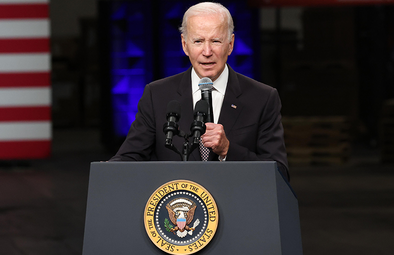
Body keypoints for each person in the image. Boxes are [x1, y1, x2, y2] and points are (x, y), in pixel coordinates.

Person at [110, 2, 289, 180]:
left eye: (215, 41)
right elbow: (129, 157)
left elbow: (279, 173)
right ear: (184, 44)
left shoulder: (263, 98)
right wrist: (104, 174)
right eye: (198, 41)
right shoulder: (156, 95)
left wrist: (228, 149)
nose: (207, 51)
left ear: (231, 44)